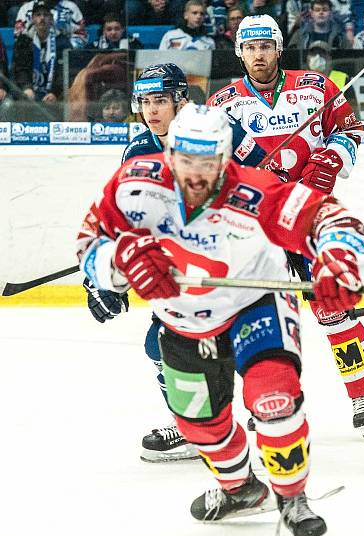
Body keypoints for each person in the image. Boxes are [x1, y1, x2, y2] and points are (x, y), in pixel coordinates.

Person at [76, 103, 364, 536]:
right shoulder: (134, 184)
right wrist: (115, 266)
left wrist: (339, 256)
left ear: (226, 158)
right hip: (180, 321)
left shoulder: (256, 191)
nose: (196, 174)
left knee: (274, 397)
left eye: (208, 162)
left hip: (255, 304)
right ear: (170, 153)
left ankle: (292, 497)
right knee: (200, 426)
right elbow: (90, 241)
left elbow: (330, 218)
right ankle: (240, 490)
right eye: (186, 160)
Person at [83, 63, 268, 463]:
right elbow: (124, 216)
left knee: (247, 338)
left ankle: (264, 404)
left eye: (160, 100)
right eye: (145, 101)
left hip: (234, 257)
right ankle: (194, 427)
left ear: (181, 100)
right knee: (160, 345)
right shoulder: (136, 151)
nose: (151, 111)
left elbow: (266, 175)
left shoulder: (219, 127)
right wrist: (103, 273)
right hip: (185, 267)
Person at [208, 15, 364, 433]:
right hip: (255, 225)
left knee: (333, 311)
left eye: (265, 46)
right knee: (255, 317)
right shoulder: (221, 105)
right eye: (250, 48)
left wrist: (331, 159)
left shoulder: (316, 88)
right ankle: (267, 396)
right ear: (239, 52)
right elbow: (212, 164)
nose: (258, 55)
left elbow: (351, 130)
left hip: (307, 216)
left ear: (278, 48)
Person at [11, 0, 71, 107]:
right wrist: (27, 88)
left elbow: (65, 71)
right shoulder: (23, 41)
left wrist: (55, 92)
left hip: (55, 94)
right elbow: (20, 69)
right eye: (38, 15)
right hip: (29, 92)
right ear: (33, 19)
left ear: (51, 18)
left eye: (45, 15)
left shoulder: (62, 41)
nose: (42, 18)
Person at [14, 0, 86, 48]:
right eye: (38, 15)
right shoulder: (26, 9)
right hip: (32, 52)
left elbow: (81, 36)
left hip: (61, 53)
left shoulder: (71, 8)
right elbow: (18, 35)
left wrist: (67, 49)